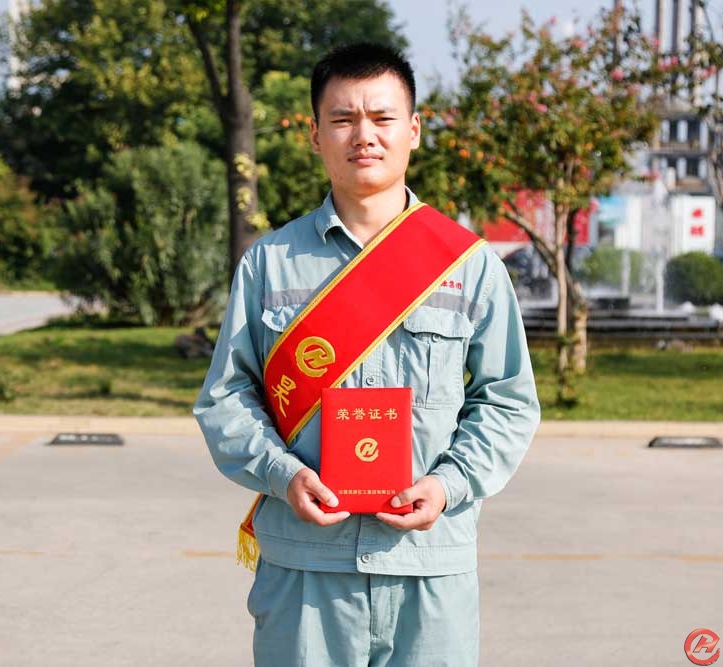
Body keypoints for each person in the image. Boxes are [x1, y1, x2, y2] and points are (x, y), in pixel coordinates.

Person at [194, 43, 539, 666]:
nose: (364, 136)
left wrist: (449, 485)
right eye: (342, 119)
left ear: (414, 130)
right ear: (315, 135)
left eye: (382, 118)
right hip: (305, 565)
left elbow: (508, 400)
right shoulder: (270, 263)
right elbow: (225, 397)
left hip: (430, 565)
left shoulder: (468, 264)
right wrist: (282, 474)